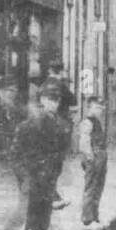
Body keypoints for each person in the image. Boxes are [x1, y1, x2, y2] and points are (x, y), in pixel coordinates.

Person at [11, 77, 70, 230]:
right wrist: (24, 175)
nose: (54, 104)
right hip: (32, 173)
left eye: (57, 101)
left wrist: (55, 169)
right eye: (50, 100)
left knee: (45, 210)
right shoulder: (31, 123)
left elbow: (61, 150)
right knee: (32, 210)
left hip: (49, 173)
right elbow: (17, 153)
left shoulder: (59, 123)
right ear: (42, 100)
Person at [0, 78, 29, 230]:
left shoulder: (20, 112)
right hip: (4, 168)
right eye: (8, 91)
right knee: (20, 210)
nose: (11, 95)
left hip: (20, 164)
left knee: (27, 209)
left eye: (14, 91)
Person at [48, 59, 76, 209]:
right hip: (59, 128)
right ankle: (51, 196)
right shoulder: (61, 86)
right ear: (61, 71)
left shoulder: (44, 85)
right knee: (55, 163)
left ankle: (52, 195)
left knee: (49, 162)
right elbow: (74, 103)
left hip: (47, 127)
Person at [78, 94, 107, 230]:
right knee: (91, 188)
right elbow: (84, 143)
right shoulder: (87, 122)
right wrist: (90, 158)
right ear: (89, 107)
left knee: (98, 188)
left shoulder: (97, 122)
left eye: (101, 107)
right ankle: (87, 220)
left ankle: (95, 217)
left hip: (100, 156)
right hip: (93, 157)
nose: (100, 110)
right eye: (97, 107)